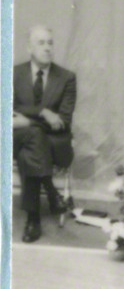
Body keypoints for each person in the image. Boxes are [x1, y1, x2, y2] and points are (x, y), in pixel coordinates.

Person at [13, 25, 77, 242]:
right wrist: (43, 112)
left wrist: (28, 120)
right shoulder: (13, 73)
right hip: (16, 139)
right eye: (41, 43)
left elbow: (64, 122)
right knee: (32, 139)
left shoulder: (67, 78)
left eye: (50, 42)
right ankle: (51, 191)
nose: (47, 48)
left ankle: (33, 218)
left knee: (30, 146)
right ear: (29, 48)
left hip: (48, 143)